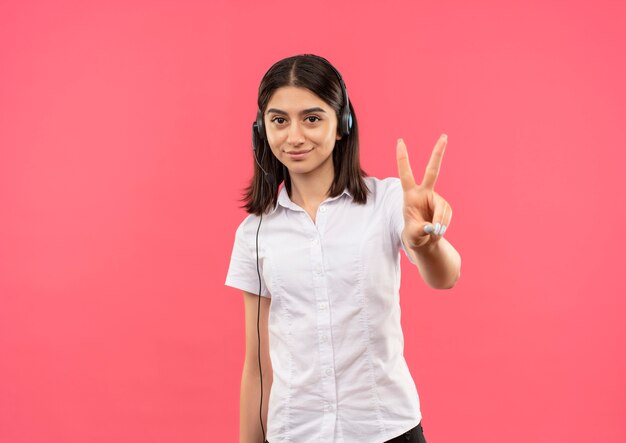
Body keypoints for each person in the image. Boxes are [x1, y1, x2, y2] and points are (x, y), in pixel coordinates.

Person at [225, 54, 461, 443]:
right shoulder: (255, 232)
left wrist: (431, 242)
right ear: (261, 130)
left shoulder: (388, 201)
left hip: (387, 430)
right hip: (294, 433)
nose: (294, 136)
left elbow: (446, 277)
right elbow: (257, 367)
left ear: (342, 125)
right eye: (279, 120)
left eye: (312, 118)